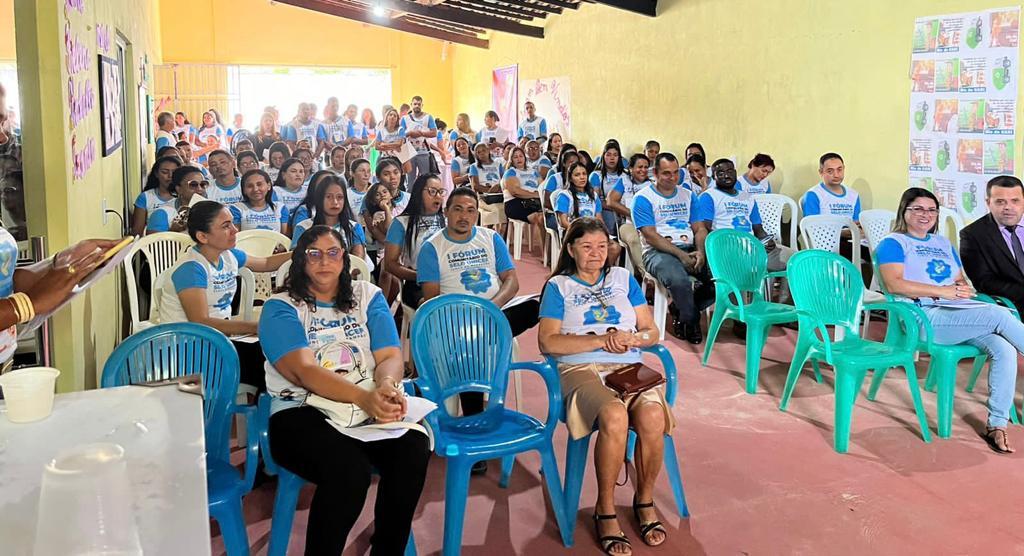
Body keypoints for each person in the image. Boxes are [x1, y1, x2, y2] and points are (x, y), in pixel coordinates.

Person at [260, 225, 429, 554]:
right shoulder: (280, 307)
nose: (324, 261)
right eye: (314, 254)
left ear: (344, 258)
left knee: (413, 448)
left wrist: (386, 386)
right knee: (349, 473)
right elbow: (304, 372)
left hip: (365, 403)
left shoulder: (368, 296)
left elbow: (390, 355)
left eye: (333, 252)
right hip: (301, 411)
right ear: (300, 261)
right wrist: (365, 398)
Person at [537, 217, 672, 554]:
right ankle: (605, 508)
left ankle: (644, 501)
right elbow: (548, 342)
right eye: (586, 246)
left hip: (628, 366)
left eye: (602, 246)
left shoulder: (623, 278)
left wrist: (635, 339)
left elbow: (651, 332)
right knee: (613, 415)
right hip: (579, 368)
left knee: (653, 416)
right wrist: (600, 341)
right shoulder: (558, 286)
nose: (596, 253)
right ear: (571, 249)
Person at [877, 187, 1024, 454]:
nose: (926, 215)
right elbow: (894, 284)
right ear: (904, 211)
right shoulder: (893, 243)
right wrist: (942, 291)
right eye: (918, 209)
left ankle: (997, 425)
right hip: (922, 316)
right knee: (998, 314)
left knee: (1004, 347)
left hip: (956, 312)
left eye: (932, 210)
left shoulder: (943, 243)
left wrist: (962, 289)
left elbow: (958, 279)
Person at [416, 187, 540, 473]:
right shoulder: (432, 248)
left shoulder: (490, 238)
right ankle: (473, 427)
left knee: (538, 304)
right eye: (458, 209)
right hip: (455, 320)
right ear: (446, 212)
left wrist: (492, 309)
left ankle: (485, 340)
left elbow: (511, 281)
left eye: (471, 210)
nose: (464, 216)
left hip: (495, 312)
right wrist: (475, 315)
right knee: (468, 347)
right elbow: (434, 300)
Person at [159, 200, 290, 390]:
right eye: (226, 226)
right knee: (270, 365)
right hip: (187, 349)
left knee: (278, 356)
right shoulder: (192, 268)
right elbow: (201, 322)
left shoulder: (228, 256)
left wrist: (303, 253)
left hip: (217, 340)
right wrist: (256, 327)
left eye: (232, 223)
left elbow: (265, 263)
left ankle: (262, 409)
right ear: (203, 236)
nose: (235, 230)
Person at [634, 153, 710, 344]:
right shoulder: (643, 198)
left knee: (722, 275)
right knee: (679, 280)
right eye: (667, 173)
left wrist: (700, 250)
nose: (673, 178)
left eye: (676, 173)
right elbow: (650, 235)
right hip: (656, 252)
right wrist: (681, 255)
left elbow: (699, 228)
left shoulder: (688, 195)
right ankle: (690, 321)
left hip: (690, 247)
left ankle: (679, 306)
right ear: (655, 173)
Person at [960, 175, 1024, 315]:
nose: (1008, 207)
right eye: (1000, 202)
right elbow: (984, 281)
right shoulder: (972, 235)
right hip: (1011, 307)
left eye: (1015, 201)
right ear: (988, 203)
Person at [384, 174, 446, 308]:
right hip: (417, 283)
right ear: (418, 193)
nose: (438, 196)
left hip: (447, 278)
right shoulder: (401, 223)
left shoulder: (445, 220)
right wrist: (421, 276)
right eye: (432, 191)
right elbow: (390, 264)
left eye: (441, 192)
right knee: (435, 308)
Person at [291, 175, 367, 265]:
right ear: (319, 199)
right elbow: (297, 261)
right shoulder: (303, 227)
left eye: (339, 197)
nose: (335, 202)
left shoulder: (354, 228)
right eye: (329, 197)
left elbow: (357, 264)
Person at [607, 153, 652, 270]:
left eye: (646, 167)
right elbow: (611, 201)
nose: (643, 170)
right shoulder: (624, 181)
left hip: (649, 223)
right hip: (627, 223)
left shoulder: (652, 184)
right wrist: (633, 214)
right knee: (633, 239)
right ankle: (646, 273)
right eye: (640, 167)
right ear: (631, 169)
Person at [502, 146, 545, 253]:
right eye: (515, 157)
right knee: (539, 218)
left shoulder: (533, 172)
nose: (519, 159)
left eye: (521, 156)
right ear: (511, 160)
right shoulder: (511, 172)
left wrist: (537, 195)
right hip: (515, 203)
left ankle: (550, 252)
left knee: (547, 217)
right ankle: (545, 254)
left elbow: (542, 187)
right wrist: (535, 195)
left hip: (534, 202)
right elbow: (515, 191)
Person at [147, 166, 209, 233]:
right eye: (193, 185)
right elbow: (154, 242)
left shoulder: (214, 209)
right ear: (179, 189)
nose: (200, 189)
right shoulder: (163, 213)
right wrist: (173, 231)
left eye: (203, 184)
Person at [800, 152, 861, 221]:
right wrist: (845, 231)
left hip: (851, 231)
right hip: (825, 232)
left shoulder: (854, 195)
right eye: (830, 171)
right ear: (821, 172)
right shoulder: (813, 195)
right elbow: (812, 228)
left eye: (839, 170)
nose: (836, 175)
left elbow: (857, 224)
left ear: (844, 168)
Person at [132, 156, 182, 236]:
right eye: (165, 172)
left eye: (174, 172)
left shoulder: (183, 196)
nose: (170, 176)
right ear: (156, 174)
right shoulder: (146, 197)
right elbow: (137, 233)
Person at [400, 96, 438, 186]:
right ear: (411, 105)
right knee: (410, 181)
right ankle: (410, 199)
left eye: (419, 104)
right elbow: (400, 135)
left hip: (423, 152)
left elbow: (434, 133)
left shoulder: (428, 117)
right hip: (409, 152)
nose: (417, 106)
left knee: (425, 179)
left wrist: (421, 134)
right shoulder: (405, 119)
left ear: (422, 105)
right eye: (415, 104)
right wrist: (409, 133)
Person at [469, 142, 506, 233]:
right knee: (497, 210)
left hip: (500, 193)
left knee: (509, 208)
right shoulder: (474, 167)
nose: (481, 153)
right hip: (484, 196)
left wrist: (499, 187)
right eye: (478, 152)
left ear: (489, 151)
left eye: (484, 151)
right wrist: (490, 191)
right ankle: (488, 233)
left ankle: (502, 235)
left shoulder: (498, 164)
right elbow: (475, 186)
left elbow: (504, 180)